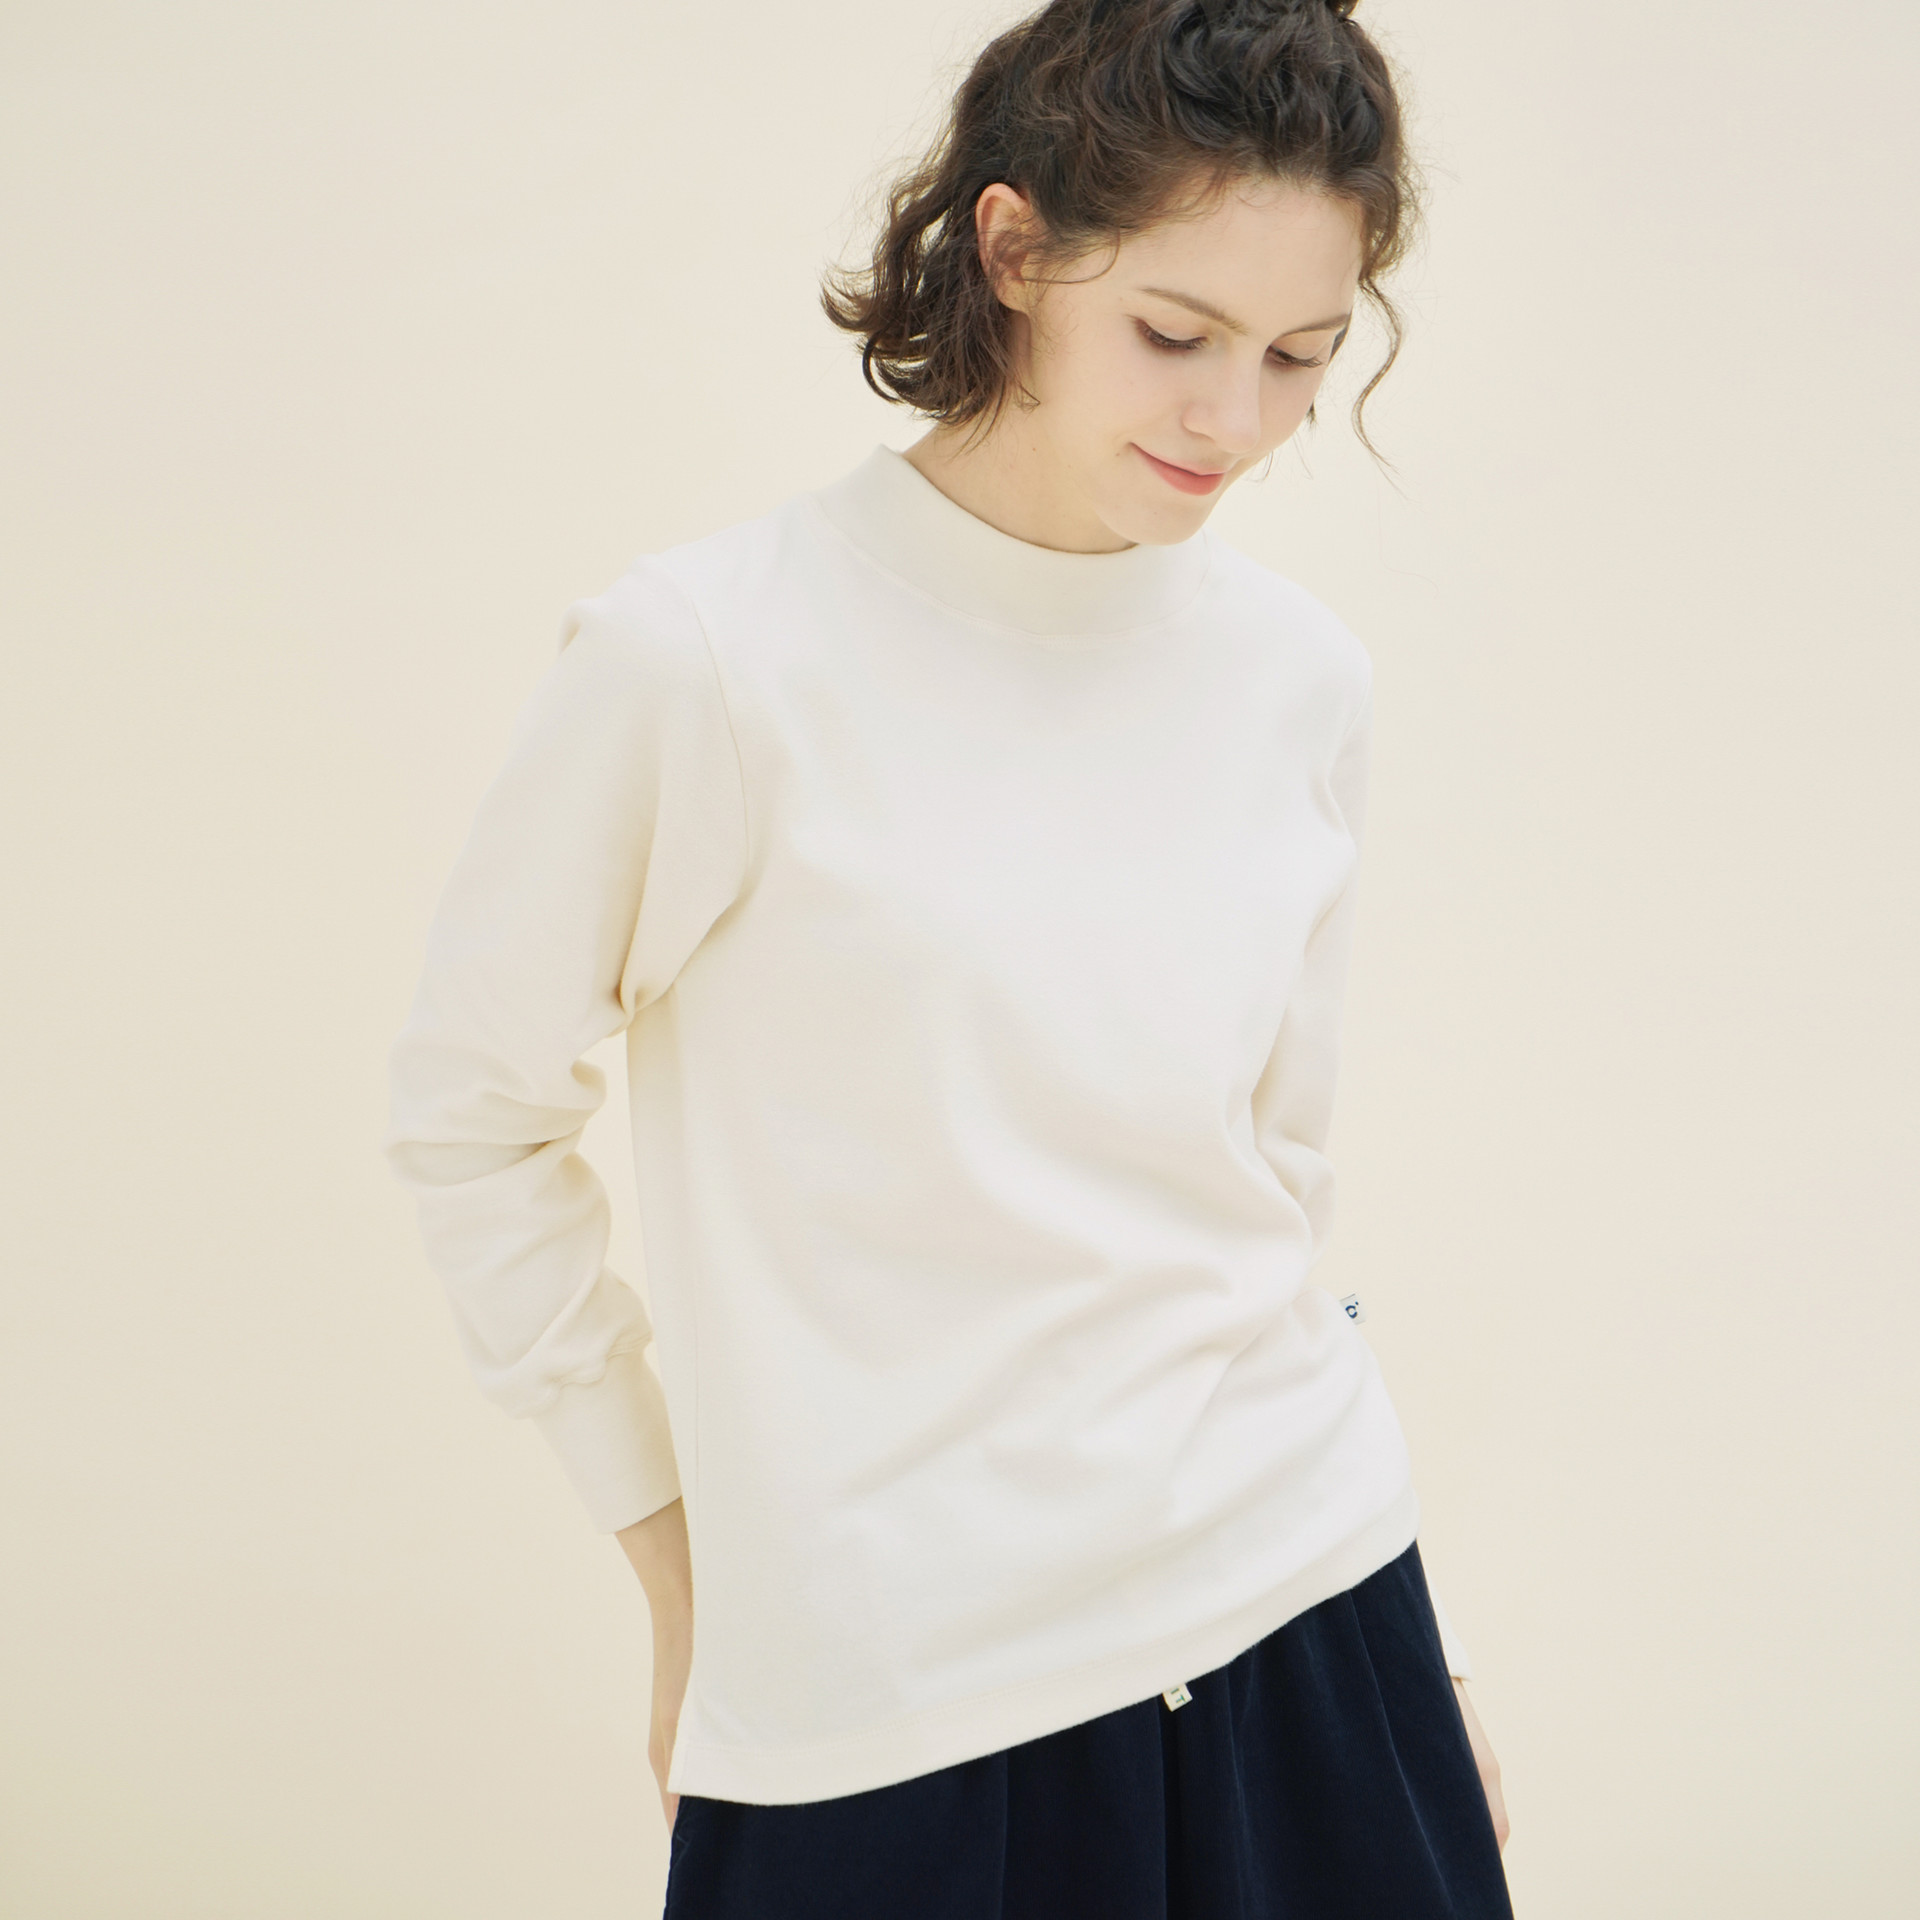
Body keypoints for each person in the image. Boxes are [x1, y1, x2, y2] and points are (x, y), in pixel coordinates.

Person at [384, 0, 1513, 1911]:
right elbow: (469, 1123)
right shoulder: (711, 660)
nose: (1234, 421)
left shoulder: (1297, 681)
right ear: (1011, 249)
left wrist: (1423, 1665)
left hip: (1317, 1616)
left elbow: (1266, 1201)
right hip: (891, 1713)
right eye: (1175, 334)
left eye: (1299, 357)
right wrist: (676, 1565)